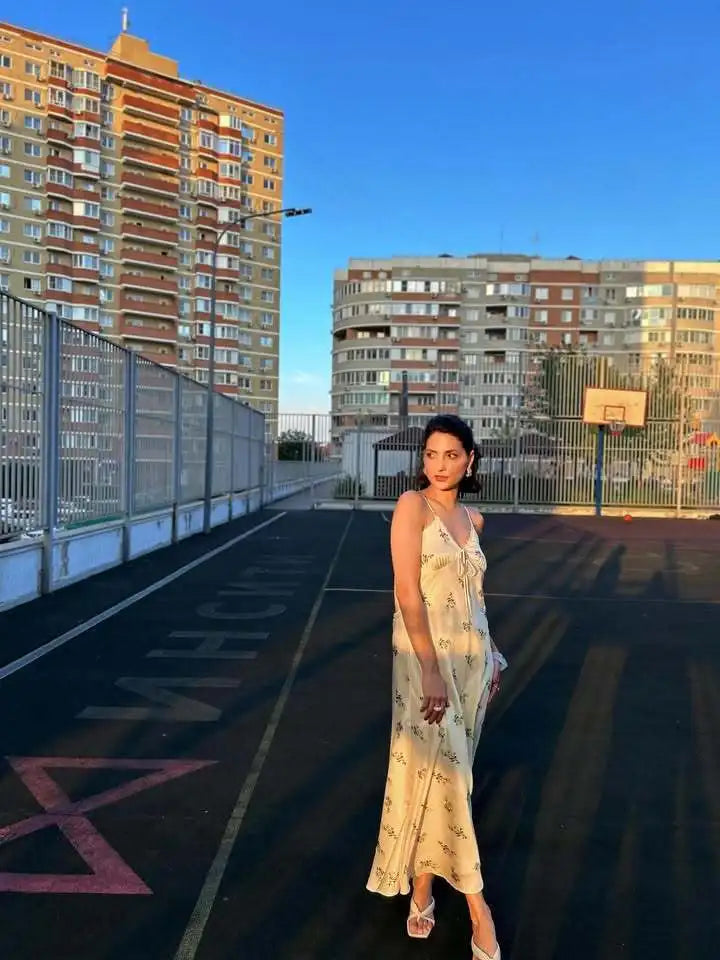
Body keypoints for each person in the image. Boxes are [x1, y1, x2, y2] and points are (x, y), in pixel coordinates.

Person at [366, 414, 508, 960]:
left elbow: (475, 599)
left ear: (470, 460)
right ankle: (478, 909)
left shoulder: (475, 519)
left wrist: (493, 655)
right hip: (425, 662)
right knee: (446, 775)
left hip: (472, 663)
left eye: (452, 455)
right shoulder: (412, 507)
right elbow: (407, 591)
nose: (440, 465)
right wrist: (428, 667)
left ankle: (422, 886)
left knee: (446, 775)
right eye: (431, 454)